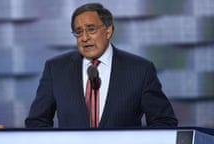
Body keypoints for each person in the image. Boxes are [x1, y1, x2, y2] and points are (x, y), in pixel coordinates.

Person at [25, 2, 178, 128]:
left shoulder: (140, 70)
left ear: (108, 31)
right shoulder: (56, 69)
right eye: (78, 32)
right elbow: (37, 122)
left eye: (91, 29)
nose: (84, 38)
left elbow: (164, 122)